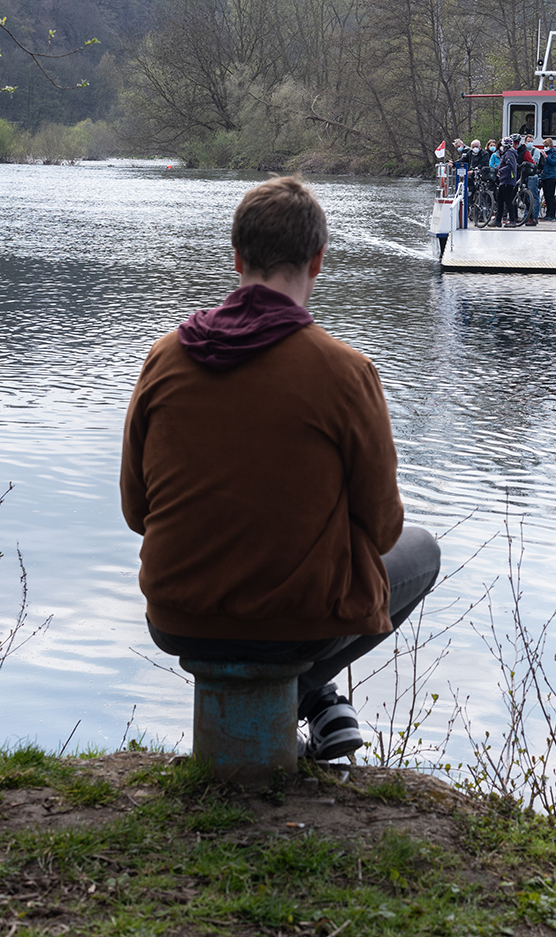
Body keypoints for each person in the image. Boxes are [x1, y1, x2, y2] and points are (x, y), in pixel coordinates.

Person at [120, 177, 442, 761]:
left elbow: (136, 511)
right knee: (423, 551)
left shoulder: (164, 358)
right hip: (297, 623)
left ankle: (307, 701)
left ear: (237, 258)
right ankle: (308, 692)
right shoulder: (345, 372)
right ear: (318, 261)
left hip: (176, 613)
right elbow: (385, 528)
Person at [495, 135, 518, 227]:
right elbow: (501, 165)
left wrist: (500, 171)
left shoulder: (508, 153)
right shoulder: (506, 153)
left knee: (508, 201)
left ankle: (512, 220)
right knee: (500, 200)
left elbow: (510, 166)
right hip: (504, 180)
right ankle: (498, 220)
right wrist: (494, 170)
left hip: (508, 180)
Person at [540, 138, 556, 220]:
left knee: (551, 196)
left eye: (546, 146)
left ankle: (552, 215)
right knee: (546, 196)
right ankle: (547, 214)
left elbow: (554, 163)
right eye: (544, 146)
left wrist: (546, 157)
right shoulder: (544, 153)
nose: (545, 147)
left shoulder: (554, 152)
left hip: (551, 176)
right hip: (544, 176)